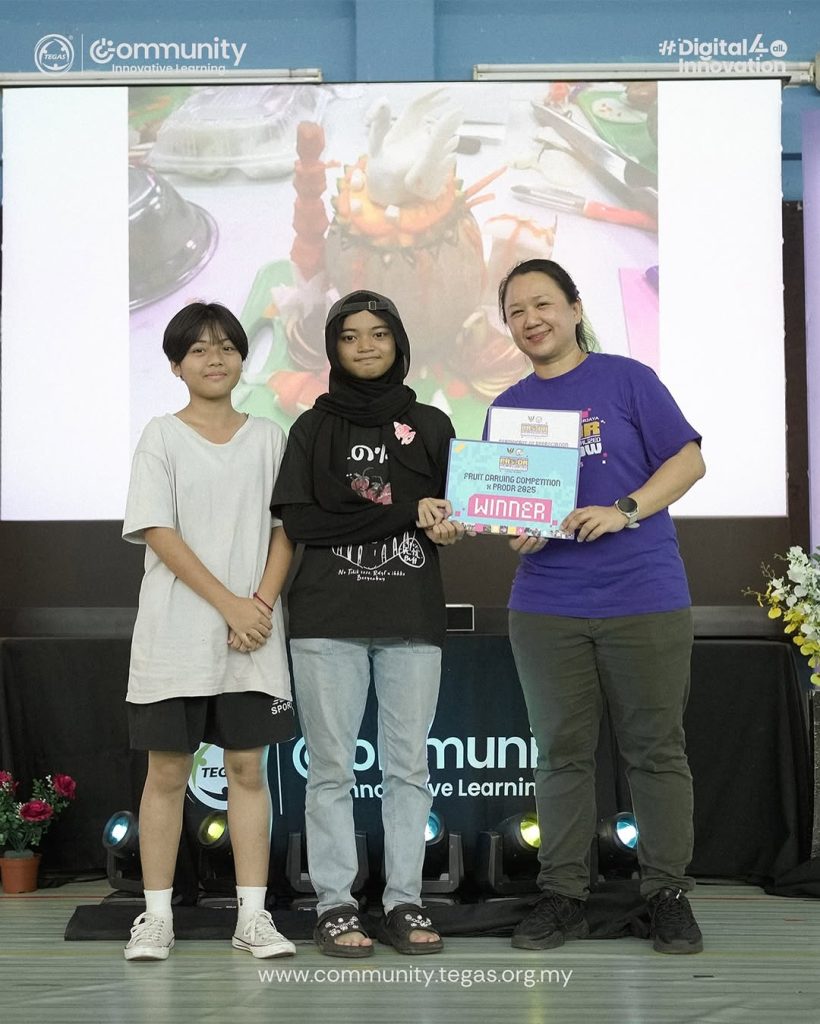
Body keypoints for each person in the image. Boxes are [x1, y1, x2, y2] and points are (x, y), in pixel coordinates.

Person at [488, 259, 706, 955]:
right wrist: (519, 529)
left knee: (656, 752)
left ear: (575, 309)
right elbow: (512, 504)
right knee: (560, 757)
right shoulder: (508, 409)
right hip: (546, 605)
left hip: (644, 596)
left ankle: (667, 893)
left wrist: (624, 509)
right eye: (516, 311)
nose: (531, 320)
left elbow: (689, 462)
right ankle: (563, 897)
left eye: (543, 304)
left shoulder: (629, 380)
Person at [271, 290, 462, 957]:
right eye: (349, 337)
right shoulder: (311, 427)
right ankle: (335, 906)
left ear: (398, 342)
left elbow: (452, 513)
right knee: (330, 770)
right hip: (326, 620)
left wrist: (447, 523)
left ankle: (405, 901)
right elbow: (302, 521)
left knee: (409, 768)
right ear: (333, 349)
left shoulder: (432, 425)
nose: (365, 347)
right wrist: (407, 512)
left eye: (378, 334)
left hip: (411, 617)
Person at [122, 302, 296, 962]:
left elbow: (286, 532)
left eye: (225, 346)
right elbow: (158, 531)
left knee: (248, 769)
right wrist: (230, 605)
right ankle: (156, 917)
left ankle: (253, 916)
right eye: (197, 349)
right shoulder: (161, 436)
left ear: (243, 358)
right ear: (176, 366)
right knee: (167, 772)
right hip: (176, 635)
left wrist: (260, 606)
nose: (214, 358)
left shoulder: (270, 437)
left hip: (252, 633)